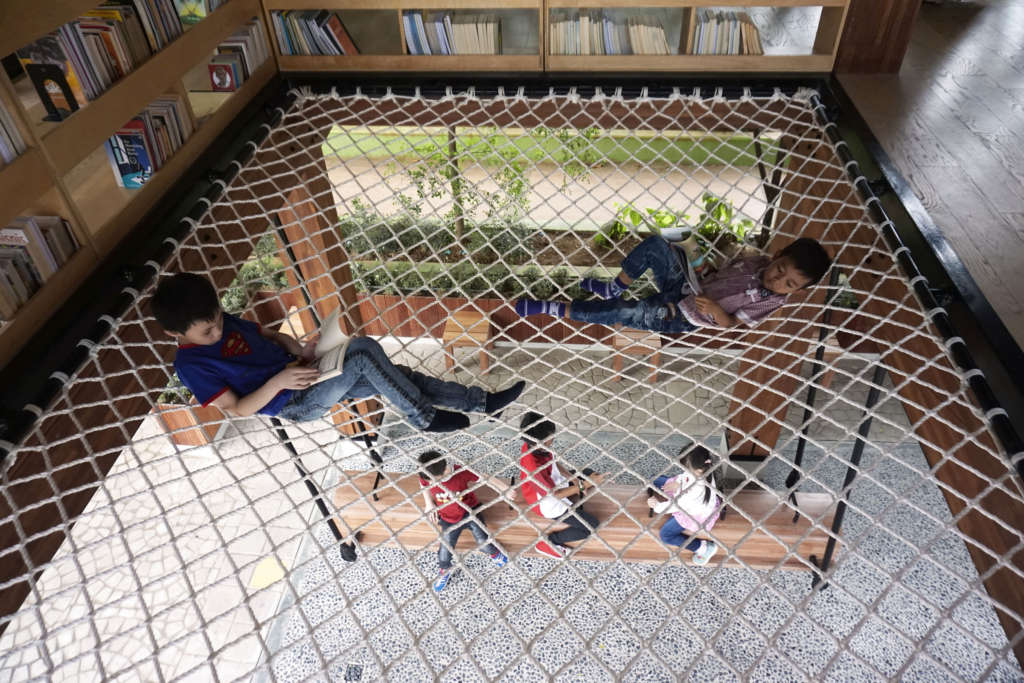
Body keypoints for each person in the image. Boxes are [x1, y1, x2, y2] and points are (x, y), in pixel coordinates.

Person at [151, 273, 525, 433]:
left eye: (217, 319)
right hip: (293, 402)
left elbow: (264, 334)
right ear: (175, 333)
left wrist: (297, 347)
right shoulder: (191, 364)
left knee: (397, 377)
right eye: (207, 331)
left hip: (305, 372)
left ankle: (482, 403)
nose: (218, 331)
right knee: (362, 351)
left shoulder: (223, 322)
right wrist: (281, 379)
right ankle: (423, 417)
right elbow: (239, 408)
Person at [513, 235, 831, 335]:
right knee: (658, 245)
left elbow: (733, 324)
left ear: (796, 291)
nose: (777, 280)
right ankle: (614, 285)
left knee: (624, 312)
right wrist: (696, 259)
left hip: (683, 316)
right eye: (780, 269)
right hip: (687, 286)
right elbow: (717, 275)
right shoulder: (755, 261)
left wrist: (717, 310)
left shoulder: (773, 301)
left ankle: (551, 309)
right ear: (776, 256)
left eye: (788, 284)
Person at [418, 451, 508, 592]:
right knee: (445, 549)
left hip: (470, 511)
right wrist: (429, 504)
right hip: (448, 518)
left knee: (483, 540)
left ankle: (494, 553)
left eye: (434, 481)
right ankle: (444, 570)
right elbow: (423, 484)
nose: (432, 484)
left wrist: (505, 489)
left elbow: (484, 477)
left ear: (445, 470)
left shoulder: (461, 472)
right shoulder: (427, 474)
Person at [518, 411, 602, 559]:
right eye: (551, 437)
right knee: (591, 526)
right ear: (540, 442)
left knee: (587, 472)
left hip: (553, 481)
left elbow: (553, 461)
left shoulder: (534, 445)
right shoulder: (533, 468)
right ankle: (549, 542)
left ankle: (578, 488)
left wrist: (573, 479)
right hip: (546, 503)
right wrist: (583, 486)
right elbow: (554, 495)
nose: (553, 439)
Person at [648, 443, 723, 566]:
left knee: (665, 535)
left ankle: (703, 548)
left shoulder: (695, 491)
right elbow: (685, 476)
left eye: (686, 468)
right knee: (654, 479)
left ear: (698, 470)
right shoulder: (704, 470)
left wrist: (656, 505)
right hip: (685, 493)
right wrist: (678, 483)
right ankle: (664, 483)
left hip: (692, 513)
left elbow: (674, 506)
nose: (684, 470)